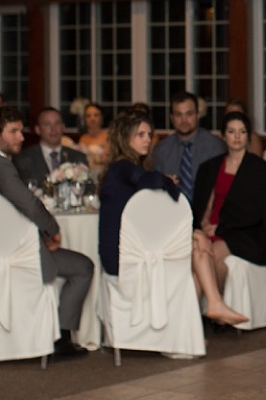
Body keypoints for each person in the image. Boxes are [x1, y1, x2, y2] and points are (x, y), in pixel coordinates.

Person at [99, 108, 246, 327]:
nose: (148, 140)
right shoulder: (122, 167)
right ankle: (212, 305)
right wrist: (165, 180)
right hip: (121, 255)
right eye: (141, 135)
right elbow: (152, 182)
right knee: (198, 246)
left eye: (149, 135)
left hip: (136, 245)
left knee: (197, 257)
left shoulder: (135, 167)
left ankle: (189, 327)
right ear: (125, 137)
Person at [0, 105, 93, 359]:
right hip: (20, 256)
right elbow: (27, 203)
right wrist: (52, 229)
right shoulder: (3, 167)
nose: (21, 136)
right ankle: (60, 339)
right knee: (84, 267)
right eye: (14, 131)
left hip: (8, 250)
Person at [192, 110, 266, 296]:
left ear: (248, 136)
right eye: (232, 131)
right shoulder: (209, 167)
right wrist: (203, 225)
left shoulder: (261, 171)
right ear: (223, 136)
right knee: (196, 257)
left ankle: (211, 313)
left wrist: (221, 228)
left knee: (211, 254)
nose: (237, 137)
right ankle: (211, 311)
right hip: (210, 227)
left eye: (242, 132)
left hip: (244, 233)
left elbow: (265, 214)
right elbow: (203, 204)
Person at [152, 91, 224, 203]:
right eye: (178, 115)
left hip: (206, 213)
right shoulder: (161, 150)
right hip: (170, 211)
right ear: (171, 118)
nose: (184, 120)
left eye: (189, 114)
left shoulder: (215, 147)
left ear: (197, 115)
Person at [16, 107, 88, 188]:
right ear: (37, 129)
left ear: (63, 127)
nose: (53, 129)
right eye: (47, 124)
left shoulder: (78, 157)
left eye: (57, 123)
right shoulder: (23, 159)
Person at [77, 102, 110, 173]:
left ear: (101, 117)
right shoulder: (83, 138)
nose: (92, 119)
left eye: (96, 115)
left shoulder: (108, 137)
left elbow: (110, 159)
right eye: (88, 116)